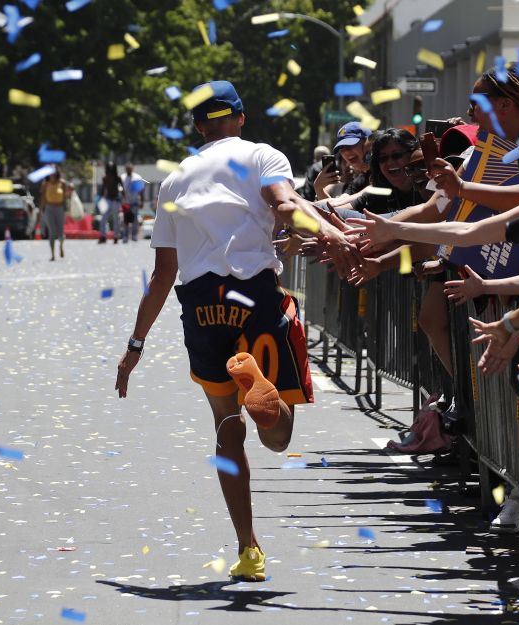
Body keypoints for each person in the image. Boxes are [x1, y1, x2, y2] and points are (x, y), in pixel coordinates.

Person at [114, 80, 358, 583]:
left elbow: (162, 274)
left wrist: (134, 347)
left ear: (199, 126)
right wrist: (330, 233)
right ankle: (262, 392)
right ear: (241, 118)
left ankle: (248, 548)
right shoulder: (262, 155)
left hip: (201, 305)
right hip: (255, 298)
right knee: (278, 435)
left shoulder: (175, 180)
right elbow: (285, 206)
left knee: (228, 431)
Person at [39, 168, 73, 261]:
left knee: (60, 231)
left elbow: (66, 196)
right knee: (51, 231)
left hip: (60, 209)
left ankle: (61, 245)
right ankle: (53, 254)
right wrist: (41, 211)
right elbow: (43, 198)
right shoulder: (45, 184)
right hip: (49, 209)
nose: (52, 175)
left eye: (53, 173)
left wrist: (69, 192)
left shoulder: (62, 183)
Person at [98, 161, 123, 244]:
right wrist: (100, 198)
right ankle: (102, 236)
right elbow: (103, 189)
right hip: (107, 200)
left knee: (116, 220)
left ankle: (116, 236)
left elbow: (122, 188)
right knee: (103, 219)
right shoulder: (105, 178)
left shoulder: (118, 178)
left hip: (116, 200)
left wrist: (123, 198)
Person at [121, 164, 145, 243]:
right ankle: (125, 236)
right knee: (126, 220)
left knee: (135, 220)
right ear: (125, 169)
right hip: (126, 203)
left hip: (135, 202)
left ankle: (134, 235)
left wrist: (142, 201)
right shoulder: (123, 177)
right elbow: (121, 190)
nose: (128, 170)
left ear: (133, 169)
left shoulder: (137, 177)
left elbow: (141, 191)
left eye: (130, 169)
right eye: (127, 169)